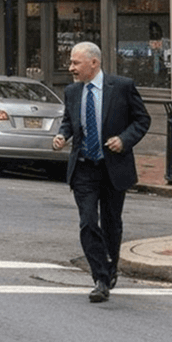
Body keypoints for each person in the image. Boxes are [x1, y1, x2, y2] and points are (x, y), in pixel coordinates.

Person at [53, 41, 150, 303]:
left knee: (111, 223)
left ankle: (111, 265)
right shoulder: (73, 92)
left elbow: (142, 120)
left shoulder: (121, 87)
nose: (71, 67)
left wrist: (124, 140)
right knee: (87, 221)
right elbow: (69, 123)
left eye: (76, 63)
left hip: (113, 167)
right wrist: (62, 136)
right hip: (84, 167)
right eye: (71, 62)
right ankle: (100, 277)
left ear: (93, 63)